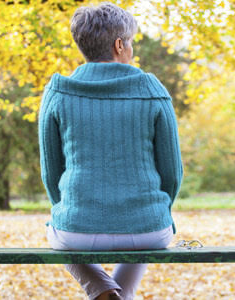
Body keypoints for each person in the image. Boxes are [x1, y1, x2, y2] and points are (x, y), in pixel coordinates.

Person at [38, 2, 183, 300]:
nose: (131, 50)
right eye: (130, 43)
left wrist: (70, 211)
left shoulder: (57, 91)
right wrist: (159, 212)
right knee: (145, 238)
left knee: (55, 231)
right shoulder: (151, 88)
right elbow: (172, 172)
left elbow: (50, 172)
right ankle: (119, 296)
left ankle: (103, 292)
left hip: (75, 231)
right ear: (119, 45)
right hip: (150, 231)